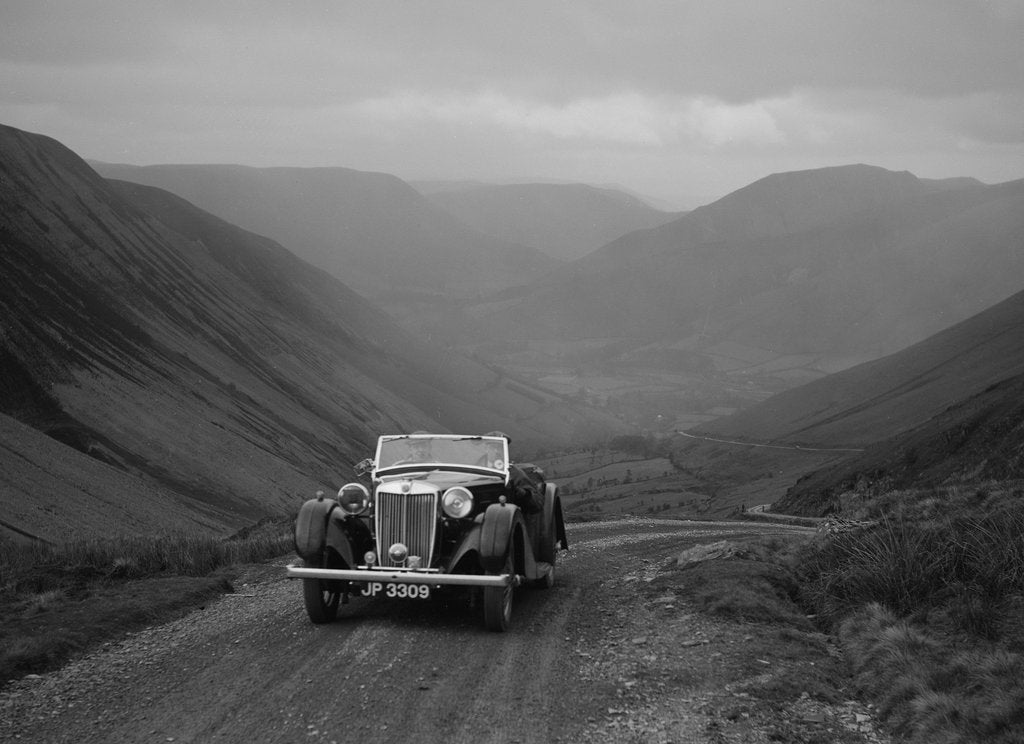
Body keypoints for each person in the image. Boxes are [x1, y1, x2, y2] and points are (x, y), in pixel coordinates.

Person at [485, 431, 543, 513]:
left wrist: (522, 493)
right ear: (486, 449)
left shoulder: (514, 472)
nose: (496, 451)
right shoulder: (472, 469)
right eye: (492, 447)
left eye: (500, 448)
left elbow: (537, 504)